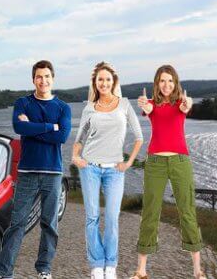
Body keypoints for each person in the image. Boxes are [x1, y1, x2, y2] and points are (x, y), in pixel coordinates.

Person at [0, 60, 71, 279]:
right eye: (39, 77)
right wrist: (49, 126)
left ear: (53, 78)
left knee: (49, 224)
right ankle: (3, 272)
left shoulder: (63, 107)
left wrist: (33, 128)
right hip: (27, 172)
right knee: (17, 223)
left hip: (52, 172)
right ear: (33, 79)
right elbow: (19, 127)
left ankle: (44, 269)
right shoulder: (22, 103)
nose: (43, 81)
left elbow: (62, 137)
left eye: (47, 76)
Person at [130, 65, 205, 279]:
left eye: (170, 81)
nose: (166, 85)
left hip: (180, 162)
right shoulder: (151, 104)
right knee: (150, 212)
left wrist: (188, 103)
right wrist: (142, 104)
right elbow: (148, 108)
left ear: (175, 83)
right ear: (157, 83)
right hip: (155, 163)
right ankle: (141, 270)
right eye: (162, 81)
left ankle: (198, 271)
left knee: (188, 212)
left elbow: (186, 107)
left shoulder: (181, 103)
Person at [72, 62, 143, 279]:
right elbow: (79, 139)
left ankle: (110, 264)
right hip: (90, 169)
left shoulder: (124, 104)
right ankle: (96, 265)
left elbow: (139, 136)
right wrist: (76, 157)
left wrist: (128, 161)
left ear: (114, 83)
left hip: (115, 171)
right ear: (95, 83)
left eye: (108, 80)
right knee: (92, 217)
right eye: (100, 79)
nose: (104, 83)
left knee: (112, 217)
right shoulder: (89, 108)